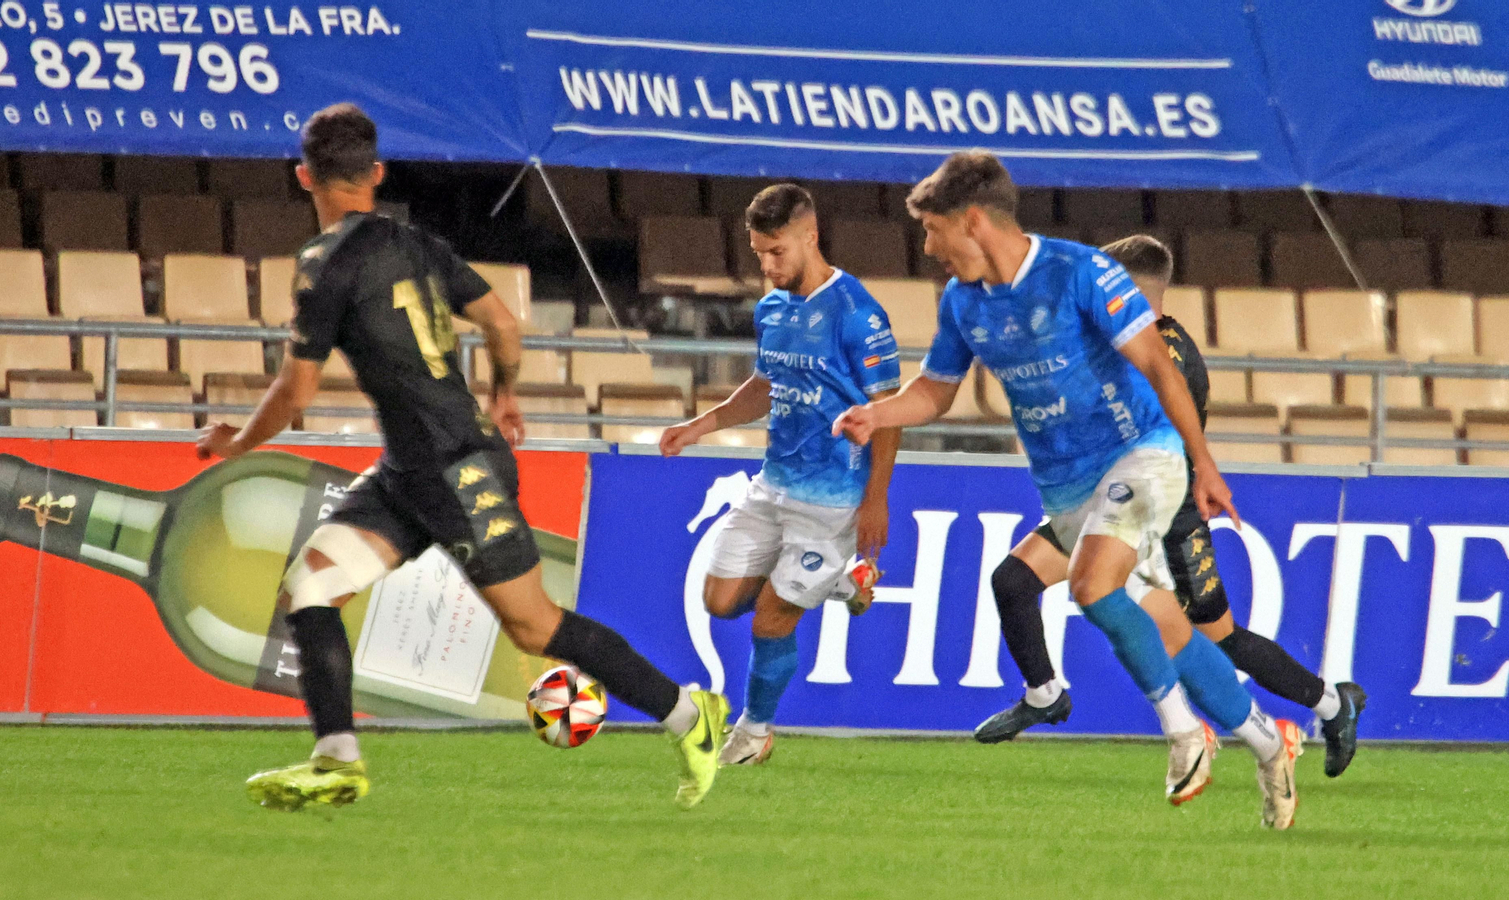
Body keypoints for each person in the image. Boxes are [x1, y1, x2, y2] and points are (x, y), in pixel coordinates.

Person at [196, 103, 728, 812]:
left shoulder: (323, 265)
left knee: (535, 626)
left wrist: (236, 443)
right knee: (310, 589)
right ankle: (337, 760)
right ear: (377, 174)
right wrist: (506, 393)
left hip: (454, 468)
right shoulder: (415, 244)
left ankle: (693, 718)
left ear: (304, 178)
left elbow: (296, 391)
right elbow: (503, 322)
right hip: (410, 473)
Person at [832, 151, 1304, 830]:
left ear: (972, 221)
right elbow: (937, 391)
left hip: (1142, 454)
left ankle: (1183, 732)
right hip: (1067, 485)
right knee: (1166, 628)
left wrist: (1202, 462)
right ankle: (1268, 741)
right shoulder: (964, 304)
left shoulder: (1082, 273)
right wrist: (878, 414)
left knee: (1089, 586)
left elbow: (1158, 367)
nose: (929, 248)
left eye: (933, 231)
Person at [972, 234, 1367, 778]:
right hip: (1108, 500)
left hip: (1164, 513)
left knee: (1219, 639)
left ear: (1131, 287)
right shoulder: (1123, 338)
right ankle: (1044, 696)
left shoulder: (1164, 352)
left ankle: (1331, 705)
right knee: (1013, 581)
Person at [659, 184, 901, 766]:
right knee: (719, 602)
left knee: (771, 617)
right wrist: (702, 425)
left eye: (776, 253)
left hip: (834, 497)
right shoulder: (773, 309)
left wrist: (877, 499)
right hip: (772, 484)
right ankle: (843, 583)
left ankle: (756, 731)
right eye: (758, 254)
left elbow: (888, 412)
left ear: (809, 237)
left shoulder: (858, 314)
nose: (766, 267)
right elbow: (765, 388)